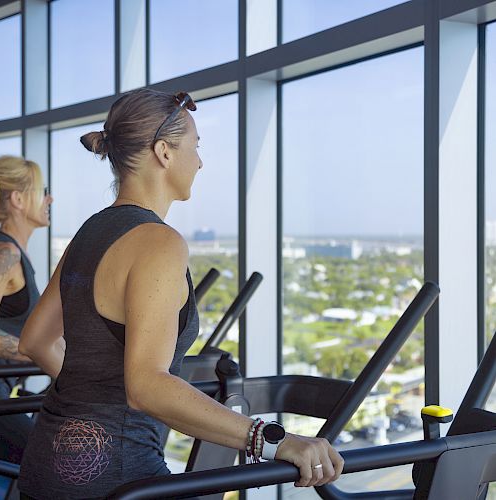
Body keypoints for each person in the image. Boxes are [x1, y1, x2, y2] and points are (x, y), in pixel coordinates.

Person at [17, 88, 344, 499]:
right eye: (196, 145)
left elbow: (34, 340)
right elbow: (147, 385)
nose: (201, 161)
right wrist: (276, 440)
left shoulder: (89, 232)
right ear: (164, 152)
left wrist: (91, 400)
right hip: (117, 478)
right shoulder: (159, 242)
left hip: (45, 465)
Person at [0, 155, 53, 465]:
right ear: (18, 199)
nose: (50, 198)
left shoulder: (14, 253)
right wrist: (35, 352)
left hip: (5, 390)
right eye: (42, 191)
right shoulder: (4, 253)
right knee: (48, 462)